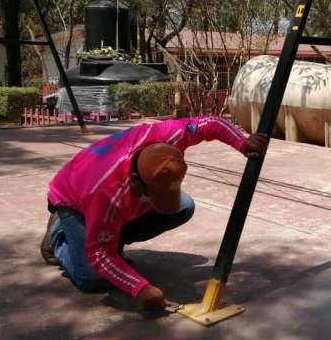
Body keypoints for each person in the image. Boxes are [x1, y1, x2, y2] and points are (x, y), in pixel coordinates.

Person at [39, 116, 269, 311]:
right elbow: (100, 254)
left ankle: (109, 232)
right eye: (153, 196)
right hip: (72, 199)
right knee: (91, 278)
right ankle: (59, 236)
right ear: (136, 182)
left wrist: (242, 142)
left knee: (183, 207)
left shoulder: (170, 137)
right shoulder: (104, 194)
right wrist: (140, 289)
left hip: (106, 193)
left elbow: (212, 123)